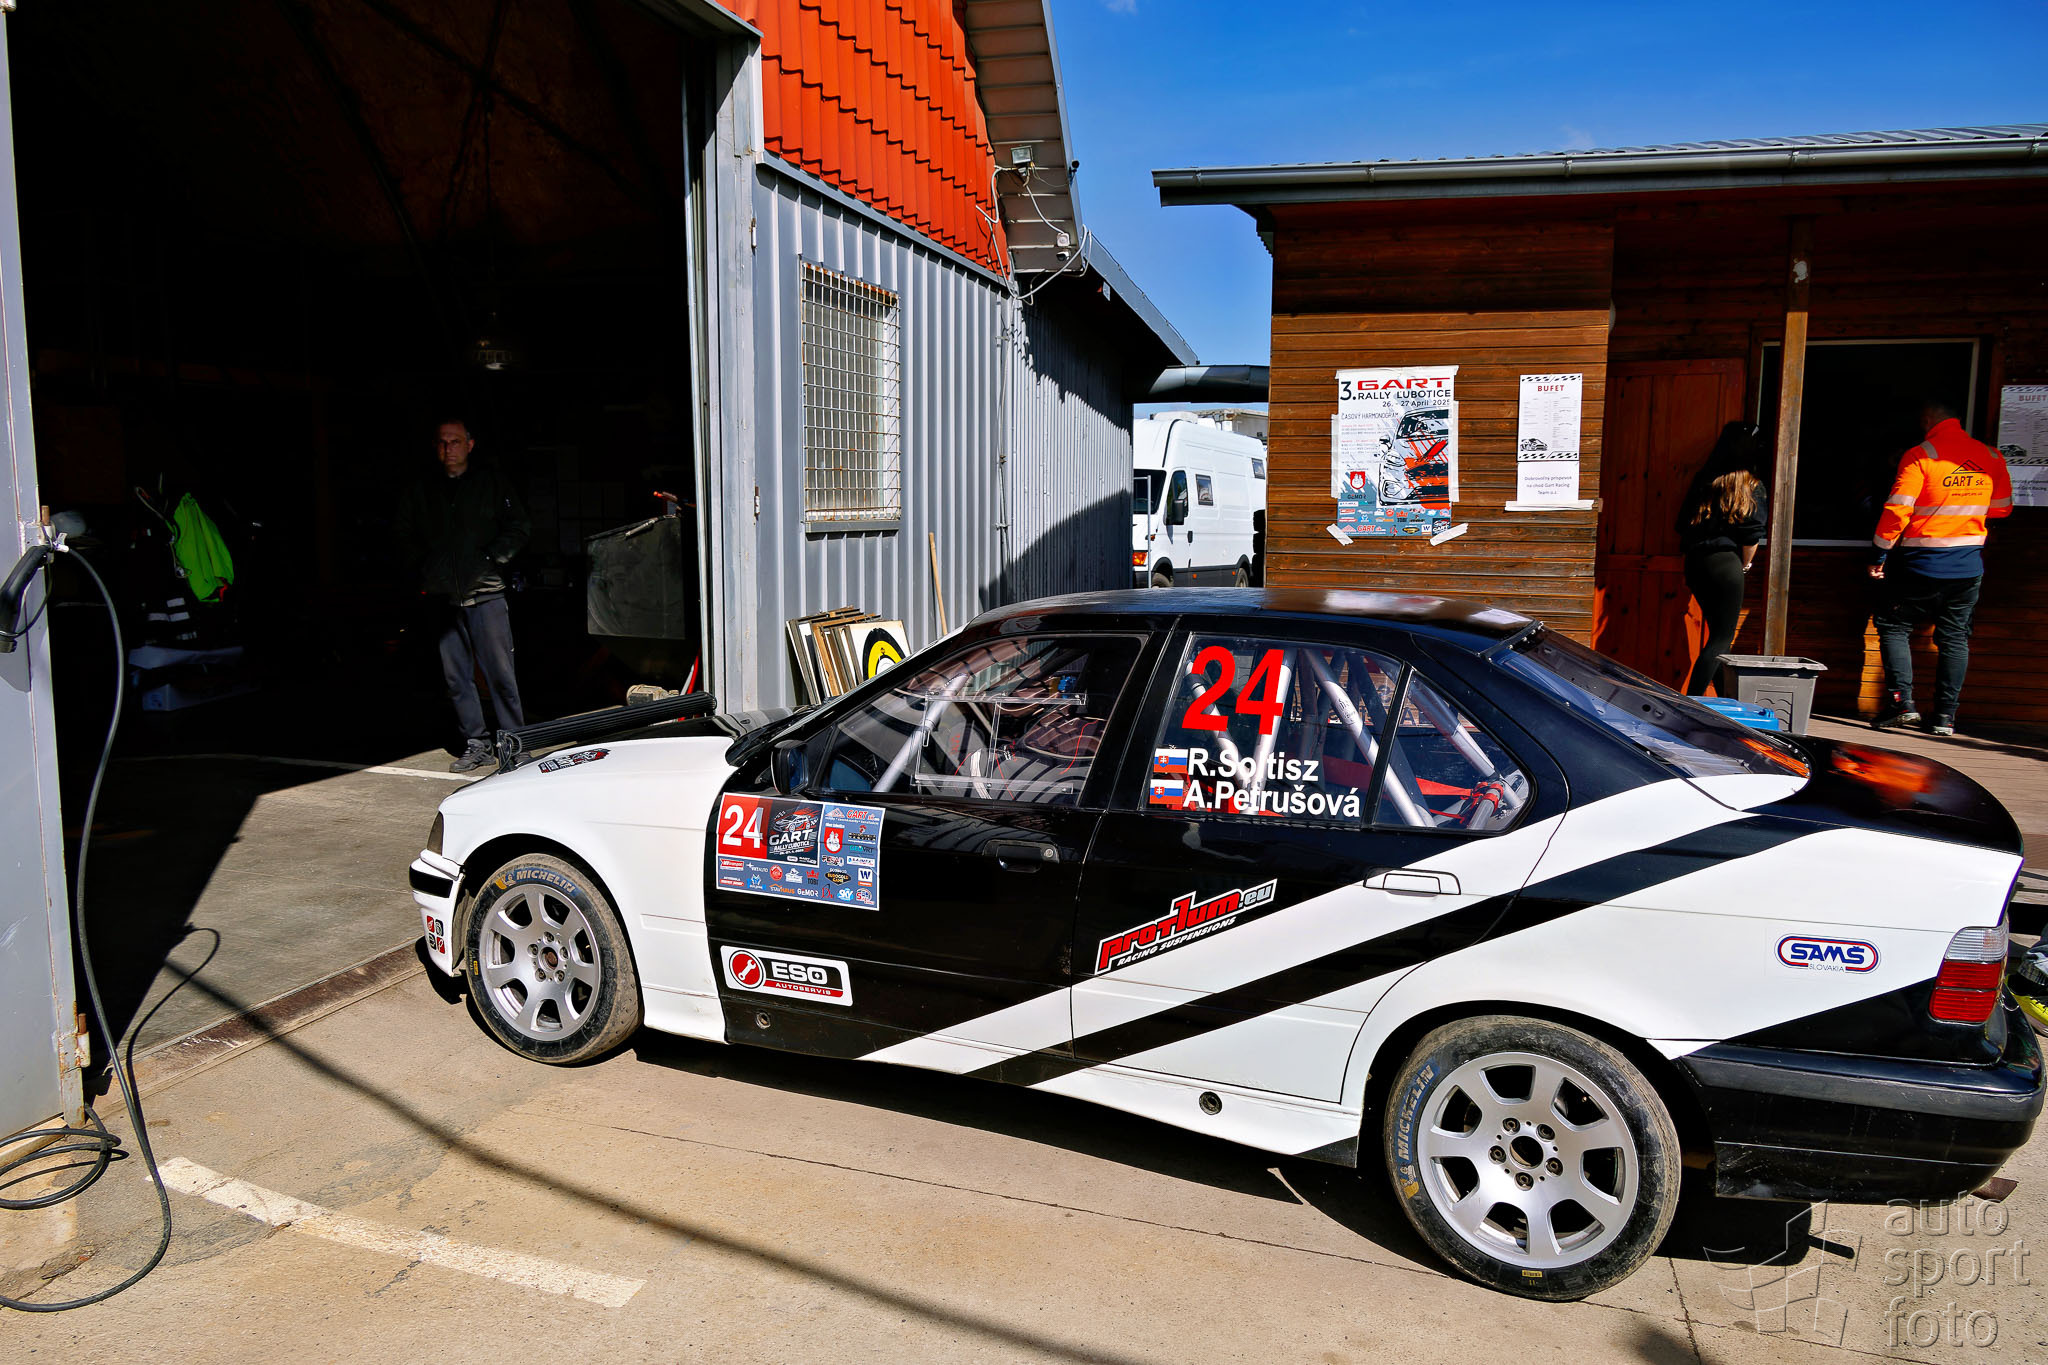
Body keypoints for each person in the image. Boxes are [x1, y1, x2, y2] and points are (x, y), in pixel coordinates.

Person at [394, 419, 532, 771]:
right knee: (456, 678)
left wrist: (491, 559)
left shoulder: (490, 483)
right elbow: (404, 533)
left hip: (485, 593)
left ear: (469, 445)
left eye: (455, 441)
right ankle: (476, 744)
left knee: (500, 674)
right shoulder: (423, 489)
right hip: (442, 596)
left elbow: (519, 526)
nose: (448, 448)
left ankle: (516, 744)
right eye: (443, 442)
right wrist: (426, 568)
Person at [1868, 399, 2012, 736]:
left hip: (1921, 563)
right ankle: (1945, 717)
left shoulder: (1921, 455)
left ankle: (1902, 705)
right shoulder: (1991, 456)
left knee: (1893, 625)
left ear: (1928, 419)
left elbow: (1897, 509)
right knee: (1954, 638)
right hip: (1968, 565)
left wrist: (1879, 554)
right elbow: (2002, 508)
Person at [1676, 422, 1769, 696]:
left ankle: (1726, 698)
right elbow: (1751, 536)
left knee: (1717, 634)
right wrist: (1746, 564)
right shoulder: (1752, 485)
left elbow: (1681, 524)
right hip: (1727, 564)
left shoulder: (1705, 480)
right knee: (1721, 638)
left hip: (1696, 562)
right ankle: (1692, 702)